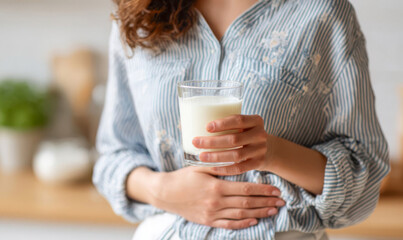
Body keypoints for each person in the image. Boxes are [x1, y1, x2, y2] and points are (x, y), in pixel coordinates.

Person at [93, 0, 390, 239]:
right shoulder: (137, 15)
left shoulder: (321, 13)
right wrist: (162, 190)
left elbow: (365, 169)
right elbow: (113, 156)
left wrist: (272, 152)